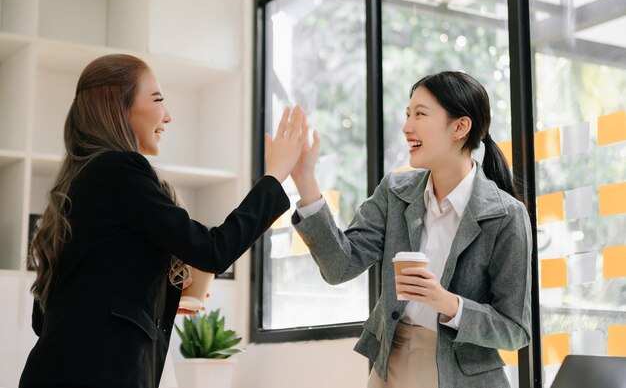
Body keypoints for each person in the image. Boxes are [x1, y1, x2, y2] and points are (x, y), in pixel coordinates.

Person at [19, 54, 307, 388]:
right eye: (157, 100)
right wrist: (275, 177)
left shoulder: (82, 177)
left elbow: (47, 318)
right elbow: (213, 250)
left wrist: (155, 298)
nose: (167, 116)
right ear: (119, 106)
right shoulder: (120, 169)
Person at [290, 71, 532, 388]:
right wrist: (305, 181)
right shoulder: (396, 192)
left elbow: (515, 330)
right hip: (389, 360)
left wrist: (447, 303)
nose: (407, 127)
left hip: (458, 373)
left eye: (420, 114)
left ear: (460, 127)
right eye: (407, 114)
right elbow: (340, 266)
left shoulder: (505, 215)